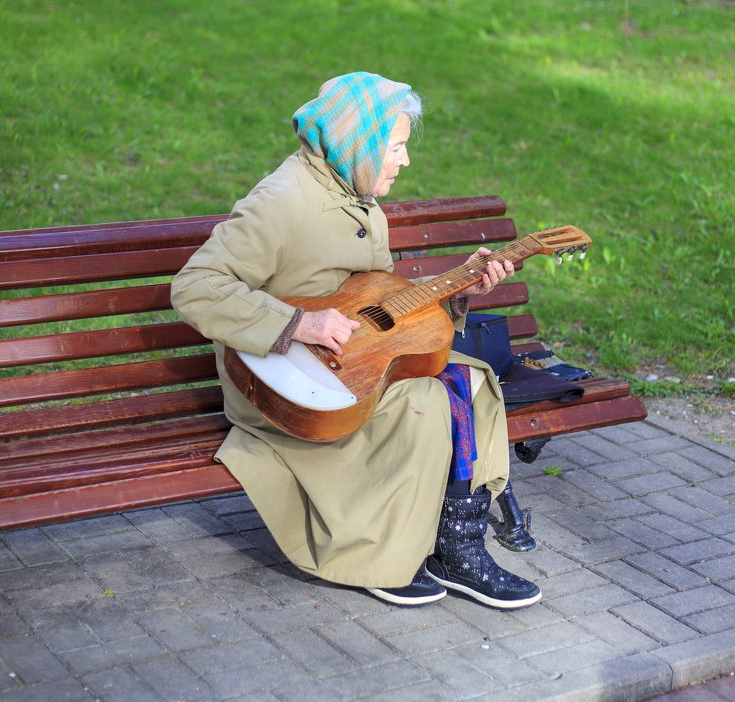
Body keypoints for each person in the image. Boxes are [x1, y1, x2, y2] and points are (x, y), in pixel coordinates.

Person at [171, 72, 541, 609]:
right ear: (360, 145)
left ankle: (456, 547)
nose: (405, 161)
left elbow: (377, 311)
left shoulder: (358, 198)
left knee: (466, 380)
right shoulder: (284, 200)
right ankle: (380, 555)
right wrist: (299, 324)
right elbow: (195, 287)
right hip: (287, 386)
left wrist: (458, 290)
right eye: (396, 147)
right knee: (429, 397)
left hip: (350, 366)